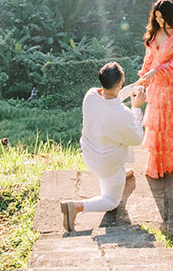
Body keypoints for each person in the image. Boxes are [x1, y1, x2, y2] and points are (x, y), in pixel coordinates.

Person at [60, 62, 146, 232]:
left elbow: (113, 97)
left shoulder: (91, 95)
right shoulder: (123, 114)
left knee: (116, 136)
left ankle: (121, 173)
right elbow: (137, 138)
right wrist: (136, 108)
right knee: (111, 202)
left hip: (90, 155)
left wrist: (136, 85)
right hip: (108, 166)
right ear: (121, 82)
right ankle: (76, 207)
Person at [138, 0, 173, 179]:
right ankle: (157, 165)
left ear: (170, 16)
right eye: (157, 17)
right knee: (156, 124)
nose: (159, 21)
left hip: (171, 83)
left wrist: (155, 71)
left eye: (162, 17)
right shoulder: (156, 32)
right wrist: (144, 76)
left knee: (166, 125)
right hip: (156, 83)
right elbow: (149, 57)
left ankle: (167, 164)